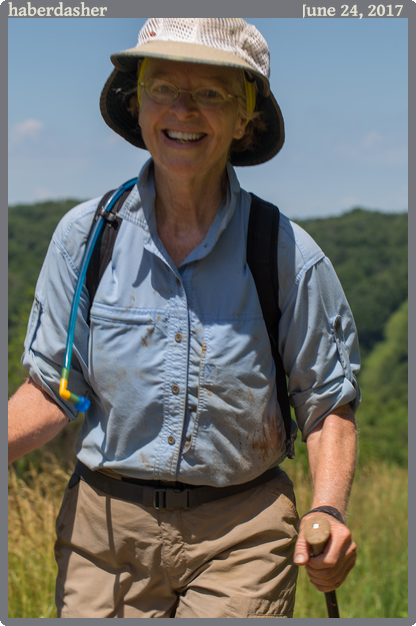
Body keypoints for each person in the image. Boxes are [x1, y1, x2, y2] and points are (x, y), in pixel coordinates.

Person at [8, 18, 360, 619]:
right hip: (105, 536)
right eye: (162, 86)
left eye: (212, 93)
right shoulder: (87, 240)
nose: (183, 109)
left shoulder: (284, 253)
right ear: (136, 103)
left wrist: (327, 512)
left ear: (245, 117)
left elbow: (326, 403)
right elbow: (61, 386)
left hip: (242, 531)